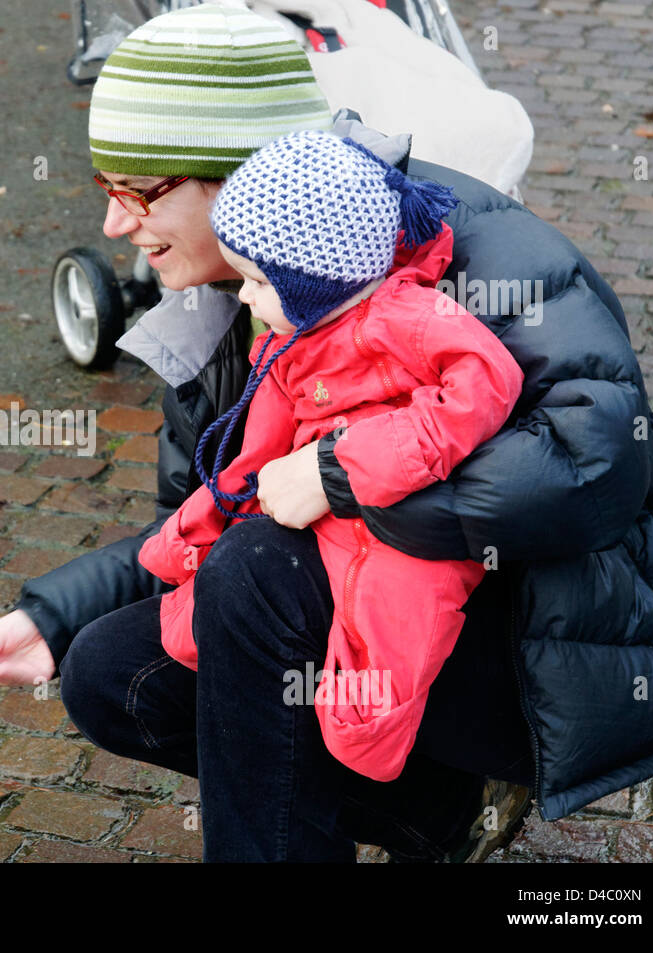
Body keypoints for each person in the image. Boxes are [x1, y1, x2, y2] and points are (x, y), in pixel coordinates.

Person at [0, 4, 653, 862]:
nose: (114, 226)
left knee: (256, 573)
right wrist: (55, 612)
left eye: (137, 192)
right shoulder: (222, 300)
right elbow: (206, 510)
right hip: (363, 611)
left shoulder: (470, 246)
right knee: (110, 672)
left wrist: (338, 475)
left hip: (550, 646)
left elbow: (596, 469)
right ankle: (443, 811)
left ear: (234, 175)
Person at [138, 129, 524, 784]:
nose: (244, 297)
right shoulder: (293, 341)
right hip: (319, 519)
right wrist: (203, 519)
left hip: (399, 523)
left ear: (314, 282)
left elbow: (487, 383)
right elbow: (257, 451)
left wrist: (359, 460)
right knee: (207, 607)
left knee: (393, 614)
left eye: (258, 281)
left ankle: (392, 741)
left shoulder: (406, 318)